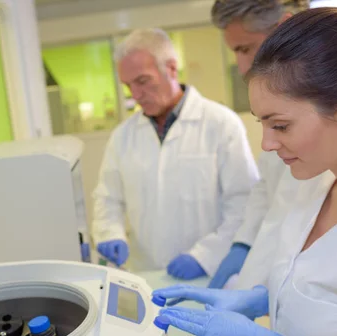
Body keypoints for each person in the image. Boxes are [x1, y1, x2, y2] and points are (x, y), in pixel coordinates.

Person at [153, 8, 337, 336]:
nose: (266, 144)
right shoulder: (318, 187)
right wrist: (262, 299)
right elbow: (335, 295)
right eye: (262, 125)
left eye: (280, 126)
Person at [92, 28, 259, 278]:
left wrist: (204, 256)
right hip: (145, 274)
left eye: (142, 81)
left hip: (209, 275)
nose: (135, 95)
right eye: (128, 86)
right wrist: (111, 234)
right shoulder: (123, 136)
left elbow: (244, 203)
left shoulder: (221, 123)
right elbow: (108, 199)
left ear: (171, 68)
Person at [208, 0, 310, 289]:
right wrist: (242, 245)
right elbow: (269, 189)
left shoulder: (327, 102)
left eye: (245, 48)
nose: (242, 66)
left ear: (283, 28)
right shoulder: (284, 97)